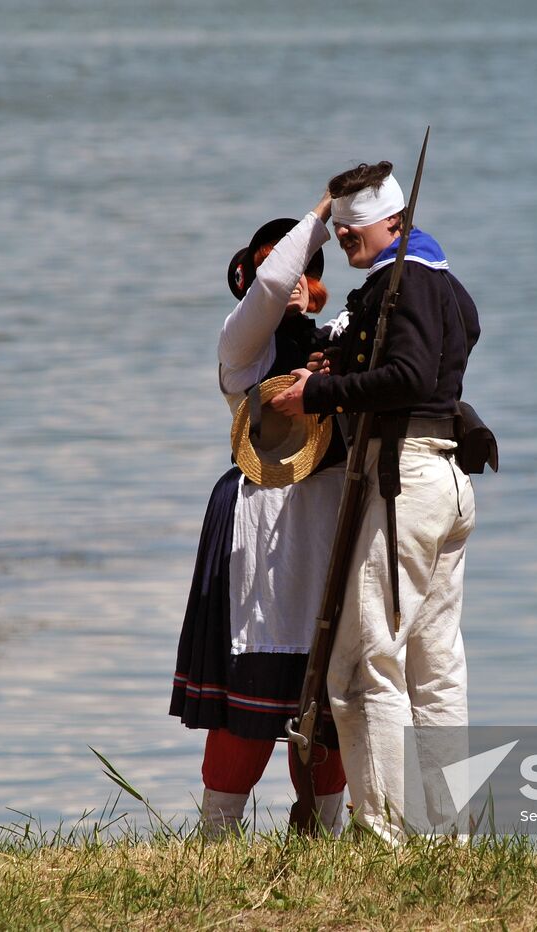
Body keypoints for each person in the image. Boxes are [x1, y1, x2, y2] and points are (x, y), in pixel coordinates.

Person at [271, 162, 479, 842]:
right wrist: (350, 369)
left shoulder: (403, 281)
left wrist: (322, 394)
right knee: (435, 668)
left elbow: (412, 375)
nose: (342, 240)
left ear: (389, 222)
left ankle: (385, 837)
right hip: (442, 479)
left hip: (406, 482)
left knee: (363, 663)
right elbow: (446, 353)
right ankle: (450, 832)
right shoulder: (439, 281)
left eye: (348, 227)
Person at [169, 195, 348, 837]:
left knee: (330, 691)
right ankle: (217, 838)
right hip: (260, 516)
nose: (291, 281)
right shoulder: (241, 342)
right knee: (250, 685)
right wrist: (325, 211)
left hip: (327, 517)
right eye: (274, 268)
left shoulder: (338, 338)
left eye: (306, 269)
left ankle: (323, 835)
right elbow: (273, 288)